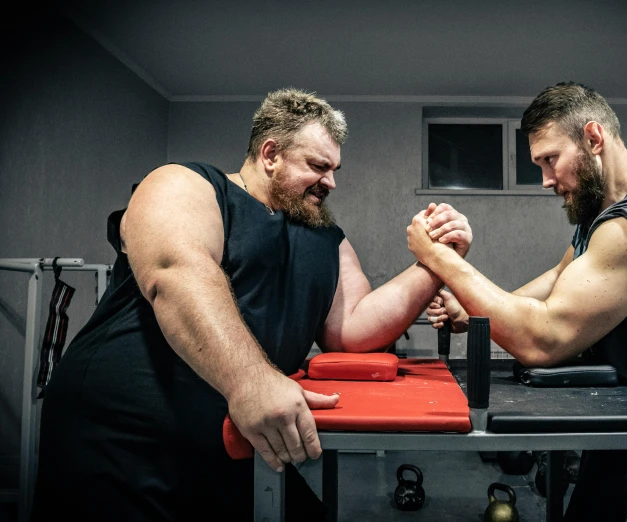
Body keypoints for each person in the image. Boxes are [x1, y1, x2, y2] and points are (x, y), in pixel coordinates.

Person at [31, 88, 472, 521]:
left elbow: (353, 330)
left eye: (335, 168)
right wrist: (251, 381)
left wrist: (437, 263)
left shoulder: (327, 239)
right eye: (319, 166)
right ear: (270, 153)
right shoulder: (185, 183)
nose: (332, 182)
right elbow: (176, 270)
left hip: (241, 438)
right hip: (123, 438)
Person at [409, 82, 627, 521]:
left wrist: (438, 258)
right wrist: (470, 311)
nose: (546, 180)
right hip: (621, 428)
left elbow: (545, 339)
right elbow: (560, 276)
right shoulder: (602, 214)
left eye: (550, 160)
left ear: (594, 139)